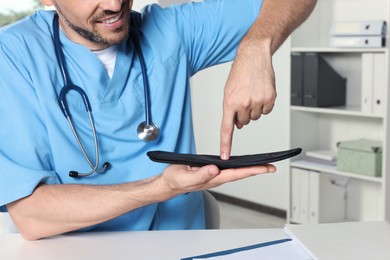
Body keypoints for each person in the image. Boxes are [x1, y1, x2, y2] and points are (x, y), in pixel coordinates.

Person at [0, 0, 316, 240]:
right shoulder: (14, 55)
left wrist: (255, 47)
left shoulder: (171, 31)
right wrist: (159, 188)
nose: (113, 5)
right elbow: (31, 214)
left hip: (176, 244)